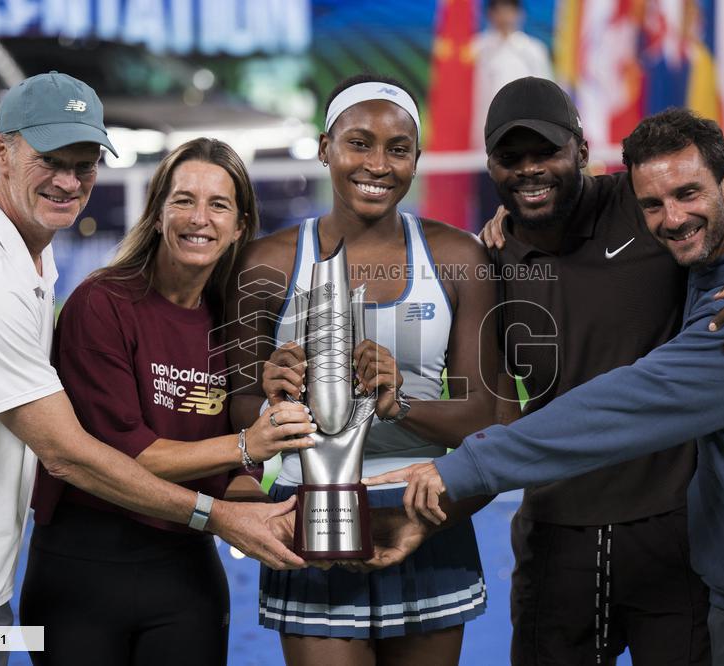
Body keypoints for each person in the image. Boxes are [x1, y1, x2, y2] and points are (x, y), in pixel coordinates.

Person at [373, 107, 724, 666]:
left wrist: (454, 471)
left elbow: (624, 405)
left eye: (688, 193)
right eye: (654, 205)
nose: (673, 217)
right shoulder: (705, 266)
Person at [0, 72, 303, 665]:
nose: (67, 180)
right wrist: (225, 498)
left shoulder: (30, 259)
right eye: (49, 160)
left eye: (83, 165)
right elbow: (68, 454)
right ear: (1, 152)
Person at [225, 73, 498, 666]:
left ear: (417, 160)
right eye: (358, 143)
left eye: (398, 149)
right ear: (325, 148)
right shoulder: (267, 263)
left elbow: (486, 416)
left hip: (427, 508)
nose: (378, 164)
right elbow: (239, 411)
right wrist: (277, 404)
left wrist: (400, 405)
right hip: (308, 514)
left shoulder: (458, 257)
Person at [17, 138, 316, 665]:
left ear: (240, 226)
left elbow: (233, 474)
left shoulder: (237, 323)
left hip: (186, 568)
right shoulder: (101, 304)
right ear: (157, 214)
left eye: (218, 205)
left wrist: (265, 511)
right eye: (183, 200)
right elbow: (127, 457)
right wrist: (248, 445)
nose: (199, 218)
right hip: (84, 570)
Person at [472, 0, 553, 151]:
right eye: (499, 10)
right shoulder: (475, 49)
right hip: (482, 132)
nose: (504, 16)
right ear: (490, 14)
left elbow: (546, 94)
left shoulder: (534, 50)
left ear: (520, 14)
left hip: (525, 131)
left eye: (509, 10)